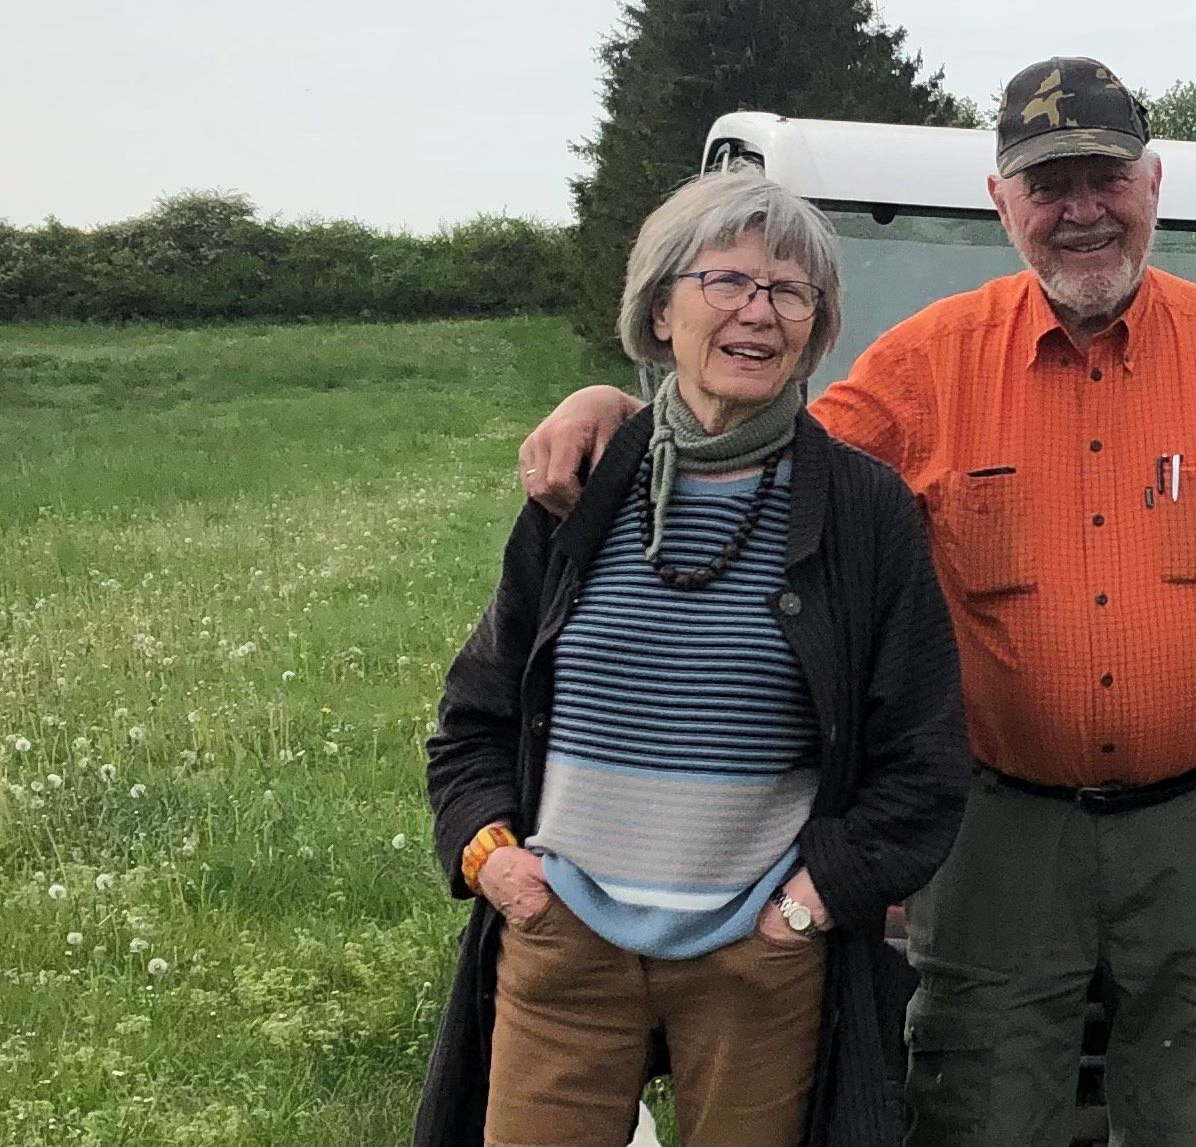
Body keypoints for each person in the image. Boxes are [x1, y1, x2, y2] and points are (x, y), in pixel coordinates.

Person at [515, 57, 1196, 1147]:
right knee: (975, 1111)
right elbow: (761, 459)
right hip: (996, 832)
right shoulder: (926, 366)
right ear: (1000, 202)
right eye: (1046, 184)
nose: (1079, 212)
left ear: (1151, 186)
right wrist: (616, 403)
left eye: (1102, 180)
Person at [414, 170, 971, 1147]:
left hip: (758, 961)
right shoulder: (577, 490)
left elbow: (921, 757)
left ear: (817, 326)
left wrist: (806, 906)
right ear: (660, 308)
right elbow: (477, 717)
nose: (758, 312)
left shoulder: (865, 512)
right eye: (728, 281)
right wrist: (497, 867)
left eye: (789, 291)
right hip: (564, 944)